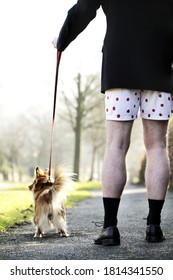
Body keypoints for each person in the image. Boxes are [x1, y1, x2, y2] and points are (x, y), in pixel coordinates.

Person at [52, 0, 173, 246]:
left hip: (120, 63)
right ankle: (154, 226)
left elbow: (84, 8)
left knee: (116, 145)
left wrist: (62, 39)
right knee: (157, 146)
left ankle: (110, 227)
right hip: (161, 63)